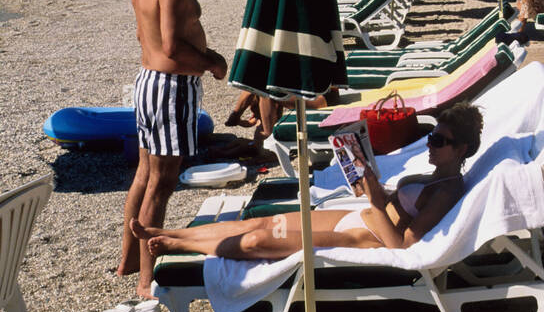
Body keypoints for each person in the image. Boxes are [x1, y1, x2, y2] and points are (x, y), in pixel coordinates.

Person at [130, 104, 483, 260]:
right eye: (431, 136)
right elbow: (395, 204)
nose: (430, 144)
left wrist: (376, 202)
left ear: (462, 148)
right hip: (360, 215)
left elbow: (405, 246)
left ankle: (178, 247)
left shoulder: (449, 189)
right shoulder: (432, 175)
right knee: (261, 221)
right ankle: (174, 234)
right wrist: (370, 185)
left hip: (363, 236)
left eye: (439, 141)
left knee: (256, 241)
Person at [104, 0, 228, 312]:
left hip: (149, 82)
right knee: (163, 180)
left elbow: (146, 35)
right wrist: (211, 61)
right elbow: (173, 47)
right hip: (170, 86)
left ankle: (126, 261)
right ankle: (145, 279)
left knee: (144, 173)